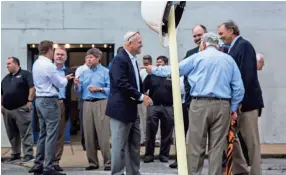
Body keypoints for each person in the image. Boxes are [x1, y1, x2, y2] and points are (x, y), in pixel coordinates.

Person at [144, 32, 245, 175]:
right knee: (217, 148)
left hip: (199, 104)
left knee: (196, 146)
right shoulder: (229, 60)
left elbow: (174, 71)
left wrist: (153, 69)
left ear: (203, 44)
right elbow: (239, 89)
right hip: (223, 105)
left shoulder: (197, 57)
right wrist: (233, 108)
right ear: (218, 46)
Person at [218, 20, 264, 175]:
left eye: (221, 33)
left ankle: (256, 172)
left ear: (231, 31)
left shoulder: (244, 45)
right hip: (236, 104)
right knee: (227, 137)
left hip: (247, 104)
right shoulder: (232, 48)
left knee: (252, 143)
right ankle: (241, 170)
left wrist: (239, 102)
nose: (220, 37)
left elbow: (248, 75)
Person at [106, 31, 153, 175]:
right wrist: (140, 96)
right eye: (139, 42)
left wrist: (142, 93)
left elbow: (134, 82)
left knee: (133, 145)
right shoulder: (119, 59)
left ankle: (134, 172)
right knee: (119, 146)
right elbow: (121, 83)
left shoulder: (132, 59)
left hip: (132, 109)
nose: (142, 45)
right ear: (129, 43)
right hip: (121, 110)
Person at [29, 40, 73, 175]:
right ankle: (48, 167)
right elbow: (60, 84)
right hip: (49, 101)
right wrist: (66, 78)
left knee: (43, 133)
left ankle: (38, 164)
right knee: (52, 135)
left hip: (40, 100)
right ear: (49, 50)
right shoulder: (48, 65)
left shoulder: (36, 63)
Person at [169, 24, 208, 169]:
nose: (197, 38)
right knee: (183, 130)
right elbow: (184, 74)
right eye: (195, 36)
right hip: (191, 100)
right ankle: (180, 159)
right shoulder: (191, 53)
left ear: (206, 34)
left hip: (210, 100)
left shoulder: (216, 51)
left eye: (200, 35)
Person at [74, 48, 111, 171]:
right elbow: (79, 91)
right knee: (88, 134)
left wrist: (99, 89)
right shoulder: (83, 73)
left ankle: (108, 162)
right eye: (87, 57)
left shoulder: (106, 72)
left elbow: (111, 89)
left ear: (98, 58)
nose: (88, 60)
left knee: (103, 134)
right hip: (86, 103)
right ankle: (92, 162)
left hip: (101, 102)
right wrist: (76, 85)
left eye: (91, 57)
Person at [1, 57, 35, 162]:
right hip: (7, 110)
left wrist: (29, 101)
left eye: (9, 63)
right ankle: (15, 153)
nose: (7, 66)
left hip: (21, 109)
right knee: (12, 133)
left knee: (26, 133)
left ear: (16, 63)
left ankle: (28, 154)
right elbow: (2, 93)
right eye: (7, 64)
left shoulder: (26, 75)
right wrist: (1, 106)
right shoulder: (6, 78)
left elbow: (32, 87)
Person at [143, 56, 174, 163]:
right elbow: (143, 88)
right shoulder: (151, 75)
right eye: (157, 62)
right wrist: (145, 98)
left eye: (160, 62)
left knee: (167, 133)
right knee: (150, 131)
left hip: (168, 107)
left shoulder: (172, 75)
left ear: (166, 64)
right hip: (153, 106)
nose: (158, 64)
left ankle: (164, 155)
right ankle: (149, 155)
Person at [53, 47, 74, 171]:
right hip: (50, 103)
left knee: (60, 134)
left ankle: (55, 161)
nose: (60, 56)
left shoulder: (69, 72)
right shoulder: (49, 70)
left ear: (66, 57)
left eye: (62, 55)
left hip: (63, 104)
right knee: (49, 134)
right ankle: (45, 160)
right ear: (53, 56)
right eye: (57, 54)